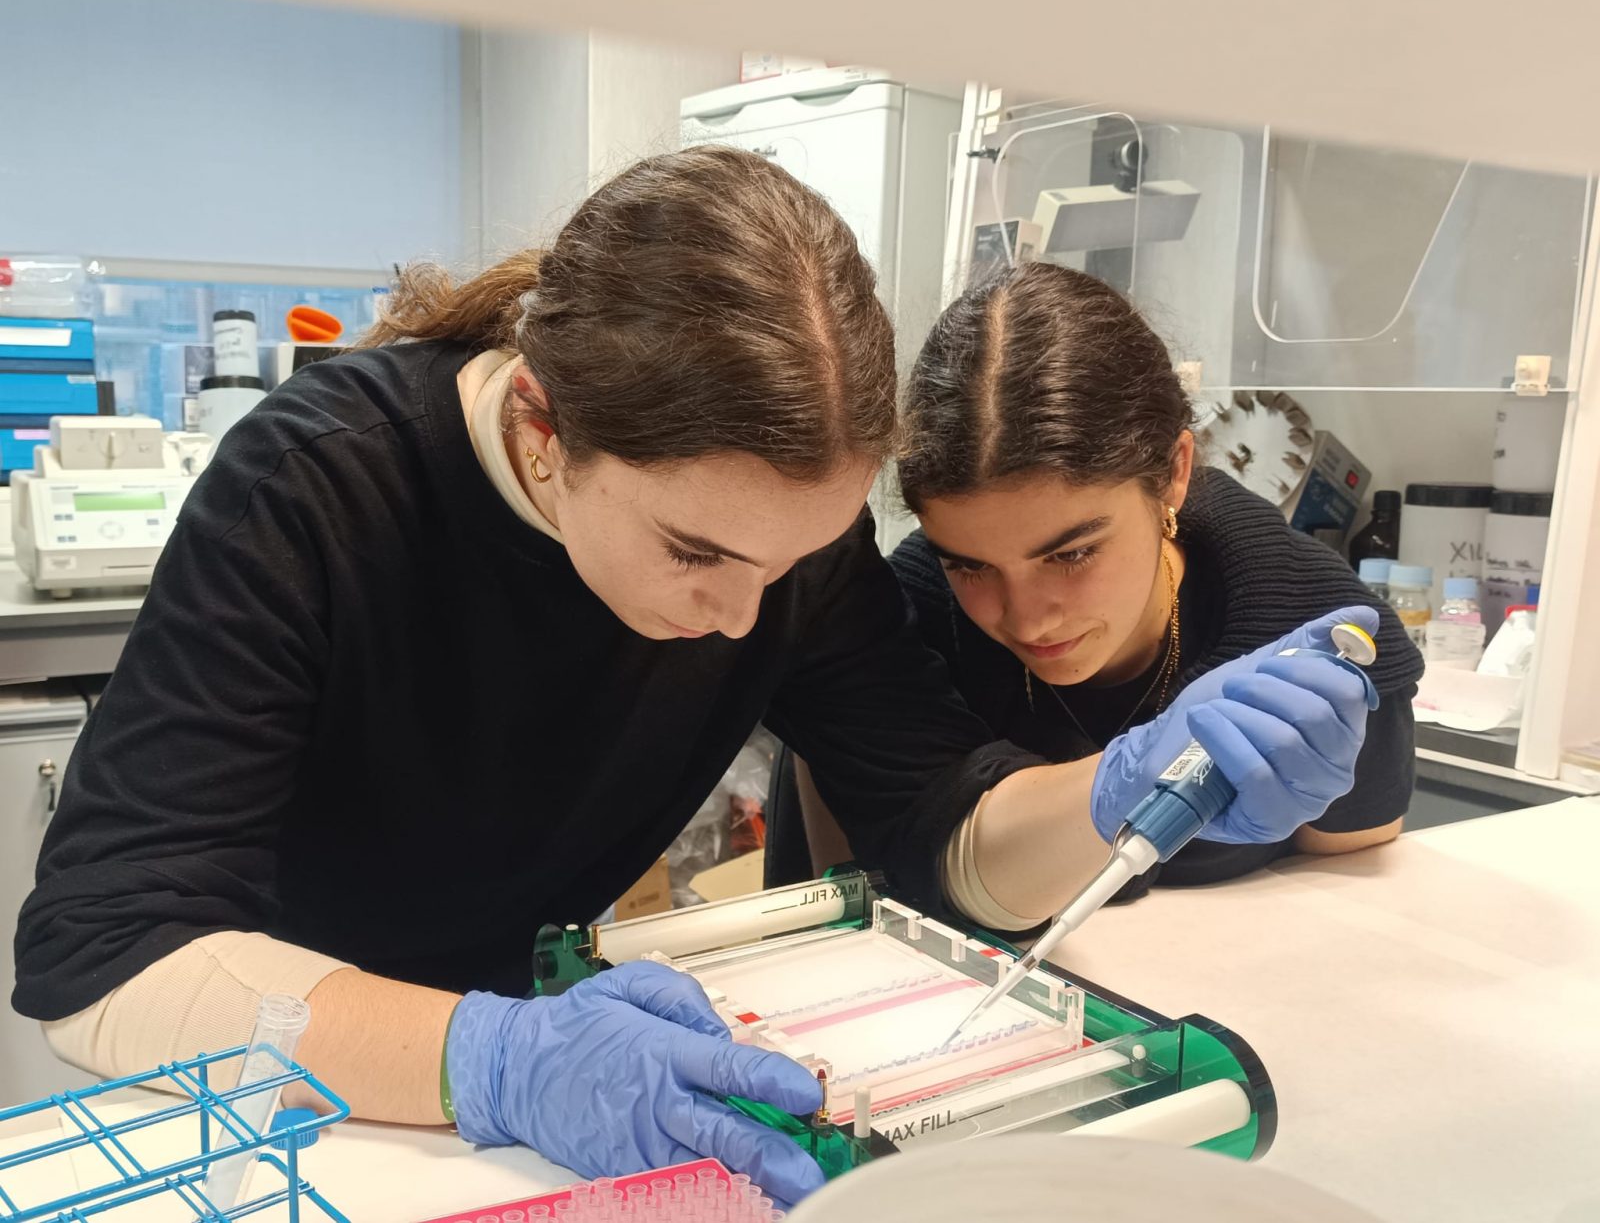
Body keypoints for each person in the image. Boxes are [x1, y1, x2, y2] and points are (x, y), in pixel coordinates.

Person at [12, 150, 1373, 1206]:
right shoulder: (319, 488)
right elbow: (103, 959)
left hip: (551, 1079)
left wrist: (1134, 786)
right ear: (547, 433)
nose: (740, 620)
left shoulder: (784, 549)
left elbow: (943, 828)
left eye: (788, 563)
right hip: (281, 1086)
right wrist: (490, 1060)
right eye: (696, 552)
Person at [869, 262, 1423, 931]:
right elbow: (890, 871)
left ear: (1174, 473)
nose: (1025, 616)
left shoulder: (1310, 626)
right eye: (969, 566)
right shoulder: (906, 620)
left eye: (1071, 554)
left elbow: (1351, 875)